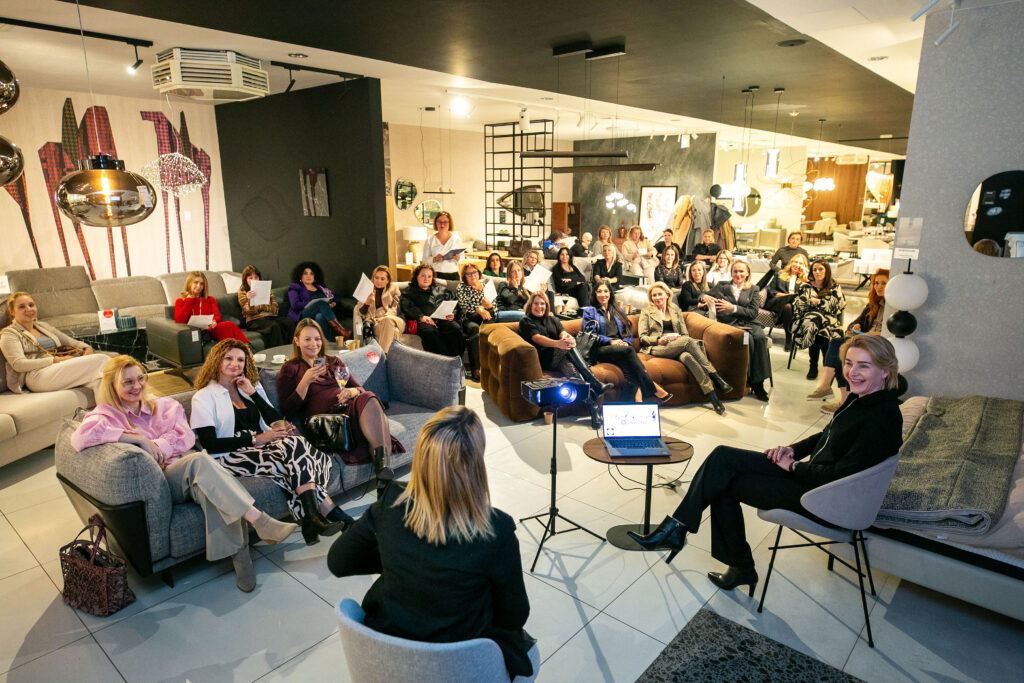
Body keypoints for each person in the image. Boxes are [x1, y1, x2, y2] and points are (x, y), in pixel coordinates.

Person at [628, 335, 903, 595]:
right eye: (849, 363)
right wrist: (792, 450)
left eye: (864, 366)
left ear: (885, 371)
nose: (852, 372)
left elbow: (838, 477)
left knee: (723, 481)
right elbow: (826, 435)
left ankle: (707, 548)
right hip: (814, 480)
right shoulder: (861, 399)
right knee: (722, 460)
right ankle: (681, 531)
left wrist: (793, 467)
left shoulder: (883, 417)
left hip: (825, 499)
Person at [327, 406, 537, 680]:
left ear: (422, 457)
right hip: (461, 665)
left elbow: (338, 561)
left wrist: (401, 558)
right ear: (476, 463)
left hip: (389, 657)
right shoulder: (496, 529)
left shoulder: (391, 502)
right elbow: (514, 617)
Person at [72, 355, 298, 593]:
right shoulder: (107, 415)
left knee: (211, 490)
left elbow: (186, 437)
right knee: (199, 460)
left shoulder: (164, 406)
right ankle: (259, 520)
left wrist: (156, 445)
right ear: (112, 385)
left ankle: (241, 558)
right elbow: (80, 437)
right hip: (163, 482)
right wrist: (136, 439)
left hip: (191, 473)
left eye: (140, 378)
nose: (137, 386)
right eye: (128, 382)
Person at [190, 339, 348, 546]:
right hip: (229, 454)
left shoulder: (249, 386)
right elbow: (210, 444)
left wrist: (253, 394)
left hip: (262, 447)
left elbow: (274, 420)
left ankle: (313, 520)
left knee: (296, 447)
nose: (235, 364)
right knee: (296, 450)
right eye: (228, 358)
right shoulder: (203, 396)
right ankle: (326, 515)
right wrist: (257, 439)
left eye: (240, 360)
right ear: (216, 360)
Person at [277, 319, 403, 492]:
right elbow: (287, 410)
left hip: (349, 410)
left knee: (369, 397)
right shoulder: (290, 368)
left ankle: (383, 476)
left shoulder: (333, 361)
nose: (313, 344)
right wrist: (305, 382)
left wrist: (351, 392)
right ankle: (385, 484)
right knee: (378, 418)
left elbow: (360, 389)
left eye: (317, 339)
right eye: (307, 339)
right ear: (296, 341)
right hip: (327, 423)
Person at [518, 291, 612, 427]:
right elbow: (537, 338)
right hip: (544, 359)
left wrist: (569, 338)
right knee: (567, 347)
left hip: (560, 359)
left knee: (576, 376)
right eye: (536, 304)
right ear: (530, 305)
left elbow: (562, 332)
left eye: (542, 304)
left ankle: (594, 411)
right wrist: (559, 344)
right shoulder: (526, 321)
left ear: (547, 305)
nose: (539, 307)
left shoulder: (553, 319)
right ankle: (596, 383)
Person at [638, 283, 731, 414]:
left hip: (677, 344)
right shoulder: (647, 312)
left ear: (667, 295)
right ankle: (715, 376)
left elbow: (684, 334)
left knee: (688, 357)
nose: (657, 297)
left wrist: (677, 339)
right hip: (657, 346)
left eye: (660, 294)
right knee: (687, 341)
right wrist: (658, 340)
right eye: (654, 295)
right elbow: (642, 337)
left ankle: (713, 398)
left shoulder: (675, 309)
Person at [809, 269, 888, 413]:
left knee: (838, 345)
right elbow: (853, 324)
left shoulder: (894, 308)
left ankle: (828, 389)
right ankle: (842, 400)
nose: (879, 286)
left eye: (884, 283)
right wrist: (856, 326)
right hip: (865, 341)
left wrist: (876, 334)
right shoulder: (873, 305)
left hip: (879, 346)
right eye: (876, 283)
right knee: (842, 352)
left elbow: (892, 334)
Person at [0, 292, 107, 394]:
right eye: (22, 307)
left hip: (59, 367)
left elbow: (72, 342)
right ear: (12, 312)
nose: (28, 309)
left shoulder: (43, 326)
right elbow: (18, 364)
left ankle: (105, 408)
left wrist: (87, 348)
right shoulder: (9, 334)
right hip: (36, 376)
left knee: (99, 382)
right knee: (101, 359)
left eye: (31, 305)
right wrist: (55, 360)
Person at [581, 283, 672, 403]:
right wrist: (611, 341)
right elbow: (590, 334)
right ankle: (652, 389)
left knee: (629, 370)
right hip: (600, 349)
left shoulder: (619, 310)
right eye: (599, 291)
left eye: (606, 291)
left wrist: (626, 342)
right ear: (595, 294)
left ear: (610, 293)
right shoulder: (589, 311)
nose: (603, 294)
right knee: (629, 352)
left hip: (620, 350)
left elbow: (627, 331)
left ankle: (632, 401)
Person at [705, 260, 772, 401]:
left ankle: (759, 382)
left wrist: (733, 308)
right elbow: (704, 295)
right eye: (735, 271)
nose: (738, 274)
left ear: (747, 273)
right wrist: (704, 297)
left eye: (741, 271)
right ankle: (749, 381)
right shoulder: (722, 286)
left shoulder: (754, 289)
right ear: (731, 273)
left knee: (760, 338)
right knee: (748, 340)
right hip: (730, 324)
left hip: (749, 322)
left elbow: (753, 313)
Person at [791, 259, 846, 381]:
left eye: (820, 269)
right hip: (807, 320)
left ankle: (814, 366)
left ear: (827, 271)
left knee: (818, 329)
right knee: (815, 323)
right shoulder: (805, 286)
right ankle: (826, 366)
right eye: (814, 269)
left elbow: (837, 307)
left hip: (828, 321)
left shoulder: (834, 287)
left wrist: (817, 302)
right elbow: (800, 306)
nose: (817, 272)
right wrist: (823, 304)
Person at [398, 264, 465, 359]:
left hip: (443, 319)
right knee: (430, 332)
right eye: (423, 276)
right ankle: (442, 361)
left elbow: (454, 304)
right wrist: (421, 316)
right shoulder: (409, 292)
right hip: (423, 321)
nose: (426, 279)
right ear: (416, 276)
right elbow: (407, 307)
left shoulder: (441, 289)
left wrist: (453, 314)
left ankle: (456, 361)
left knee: (455, 328)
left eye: (429, 276)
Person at [174, 272, 249, 344]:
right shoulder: (180, 301)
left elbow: (216, 315)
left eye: (201, 284)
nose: (199, 286)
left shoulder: (210, 300)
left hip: (210, 329)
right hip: (194, 333)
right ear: (189, 283)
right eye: (196, 282)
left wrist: (214, 321)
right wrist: (189, 300)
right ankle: (245, 347)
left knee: (228, 326)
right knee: (228, 330)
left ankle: (237, 347)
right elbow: (180, 320)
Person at [286, 261, 351, 343]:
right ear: (300, 275)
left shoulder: (320, 286)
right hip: (303, 314)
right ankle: (341, 330)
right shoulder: (295, 287)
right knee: (320, 303)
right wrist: (313, 303)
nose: (308, 276)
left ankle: (324, 342)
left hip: (320, 313)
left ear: (315, 276)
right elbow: (295, 305)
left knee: (320, 316)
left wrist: (333, 303)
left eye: (311, 274)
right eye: (305, 273)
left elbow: (335, 298)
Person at [237, 265, 294, 348]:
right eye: (250, 278)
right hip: (254, 320)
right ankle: (277, 353)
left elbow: (275, 309)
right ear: (245, 280)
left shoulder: (267, 291)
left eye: (256, 277)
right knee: (274, 326)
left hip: (270, 317)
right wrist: (249, 300)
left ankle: (291, 350)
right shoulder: (243, 294)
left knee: (289, 323)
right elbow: (250, 312)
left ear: (259, 278)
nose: (254, 280)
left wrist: (260, 306)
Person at [456, 264, 495, 381]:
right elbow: (463, 305)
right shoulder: (461, 287)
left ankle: (490, 367)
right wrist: (478, 309)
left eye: (474, 272)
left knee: (489, 327)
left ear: (478, 273)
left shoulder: (486, 287)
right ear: (464, 276)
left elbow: (495, 305)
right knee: (474, 329)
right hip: (468, 318)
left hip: (486, 317)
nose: (472, 275)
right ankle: (476, 369)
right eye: (469, 274)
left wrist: (490, 307)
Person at [763, 254, 810, 352]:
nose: (797, 265)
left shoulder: (805, 280)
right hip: (777, 302)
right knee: (792, 298)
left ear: (804, 266)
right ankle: (790, 338)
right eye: (795, 262)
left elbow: (806, 296)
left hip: (792, 307)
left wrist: (805, 276)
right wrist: (787, 296)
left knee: (788, 307)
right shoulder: (780, 275)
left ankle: (788, 338)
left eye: (801, 263)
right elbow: (771, 291)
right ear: (791, 263)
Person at [357, 266, 405, 352]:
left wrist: (386, 317)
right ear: (373, 278)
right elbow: (360, 312)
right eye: (376, 278)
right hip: (376, 323)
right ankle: (387, 356)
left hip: (395, 319)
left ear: (388, 280)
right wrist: (367, 303)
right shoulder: (367, 289)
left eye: (382, 279)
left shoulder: (394, 288)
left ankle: (381, 357)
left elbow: (396, 306)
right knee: (394, 332)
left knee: (388, 321)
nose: (379, 281)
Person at [421, 211, 463, 281]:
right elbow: (425, 259)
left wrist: (458, 258)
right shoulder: (430, 240)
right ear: (436, 223)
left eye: (445, 222)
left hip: (453, 275)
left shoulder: (456, 239)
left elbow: (462, 258)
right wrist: (434, 259)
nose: (442, 225)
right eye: (439, 222)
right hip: (436, 275)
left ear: (449, 223)